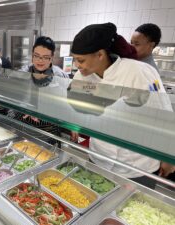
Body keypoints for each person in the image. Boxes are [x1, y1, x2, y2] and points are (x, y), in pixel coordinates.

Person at [71, 22, 174, 188]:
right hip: (99, 156)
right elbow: (77, 106)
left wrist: (169, 157)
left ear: (100, 55)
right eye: (75, 59)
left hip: (136, 165)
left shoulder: (140, 72)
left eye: (80, 60)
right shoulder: (81, 76)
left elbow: (164, 115)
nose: (77, 65)